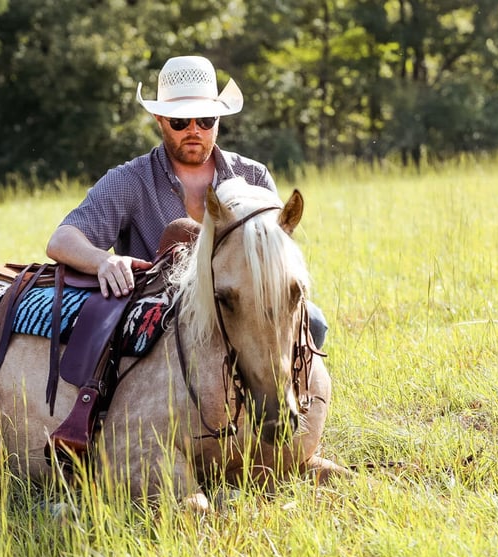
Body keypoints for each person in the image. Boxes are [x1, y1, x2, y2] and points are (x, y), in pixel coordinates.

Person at [46, 56, 328, 347]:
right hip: (164, 325)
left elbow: (279, 259)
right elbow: (61, 240)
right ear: (159, 120)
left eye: (205, 120)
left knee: (315, 324)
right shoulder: (129, 181)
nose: (194, 130)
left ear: (218, 119)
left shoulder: (253, 177)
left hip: (244, 310)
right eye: (180, 121)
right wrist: (103, 261)